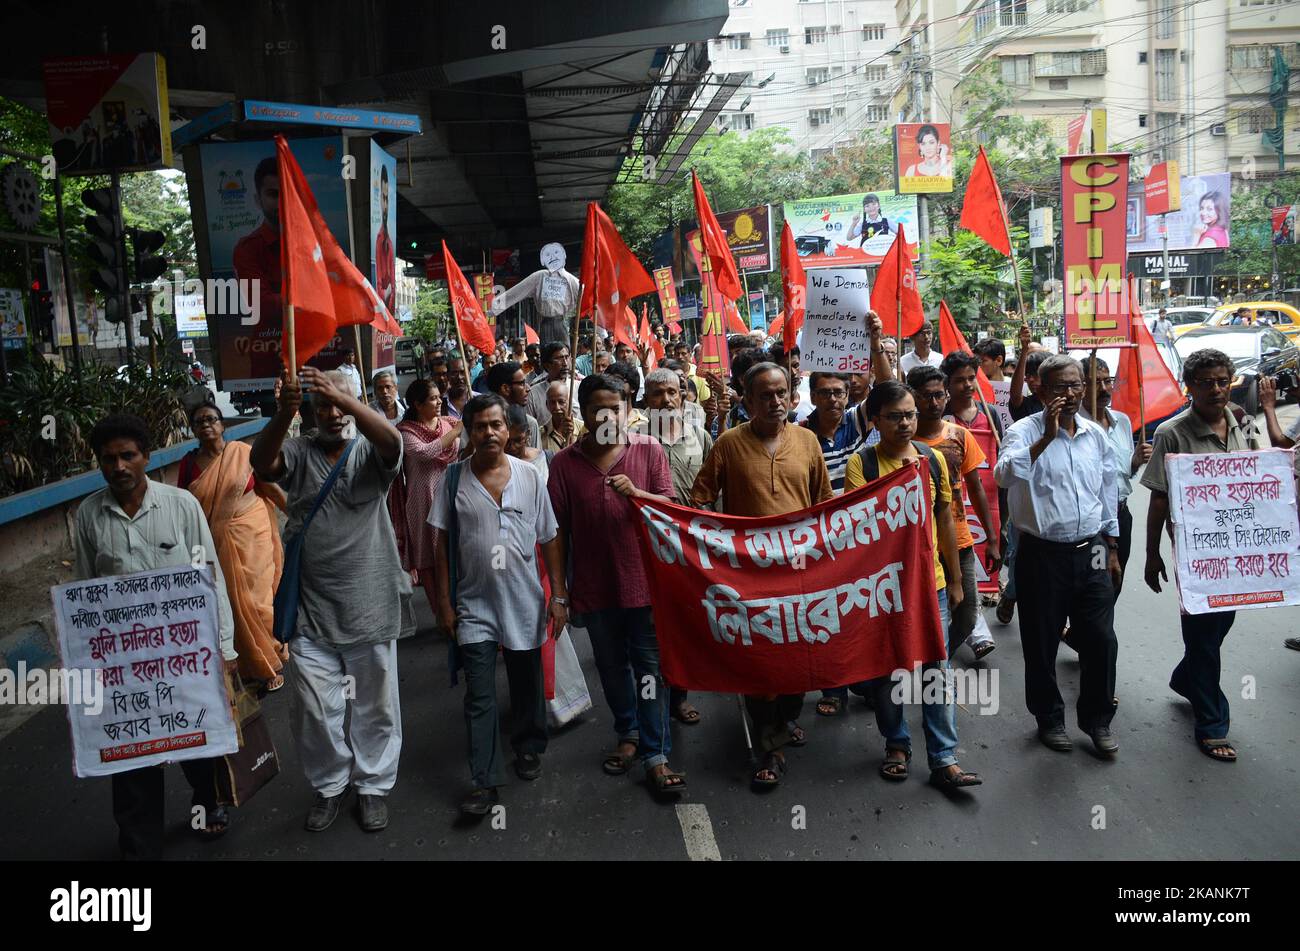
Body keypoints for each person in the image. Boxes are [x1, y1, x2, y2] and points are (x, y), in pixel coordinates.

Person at [251, 366, 407, 834]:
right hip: (310, 608)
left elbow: (393, 445)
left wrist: (341, 396)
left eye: (342, 405)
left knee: (375, 705)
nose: (333, 414)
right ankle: (330, 785)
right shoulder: (298, 450)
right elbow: (262, 464)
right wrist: (284, 411)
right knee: (316, 709)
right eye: (324, 407)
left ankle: (373, 786)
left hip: (371, 604)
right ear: (311, 413)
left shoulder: (372, 448)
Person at [75, 413, 237, 858]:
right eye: (109, 459)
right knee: (130, 751)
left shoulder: (181, 505)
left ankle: (208, 804)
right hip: (124, 662)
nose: (119, 466)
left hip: (185, 653)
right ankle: (139, 843)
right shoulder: (88, 516)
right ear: (100, 464)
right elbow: (84, 593)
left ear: (146, 457)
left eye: (128, 455)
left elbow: (210, 576)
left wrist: (224, 647)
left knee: (195, 742)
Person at [691, 362, 832, 789]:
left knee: (799, 655)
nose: (775, 402)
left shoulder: (807, 441)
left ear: (792, 396)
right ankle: (769, 748)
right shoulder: (729, 444)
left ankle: (787, 719)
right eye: (764, 395)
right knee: (761, 661)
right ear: (748, 400)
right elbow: (699, 499)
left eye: (782, 393)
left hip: (801, 572)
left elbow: (824, 504)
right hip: (749, 576)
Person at [547, 373, 687, 795]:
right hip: (593, 587)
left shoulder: (649, 450)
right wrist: (559, 592)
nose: (609, 416)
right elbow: (556, 532)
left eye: (617, 407)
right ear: (584, 413)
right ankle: (627, 733)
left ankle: (656, 753)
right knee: (611, 668)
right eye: (598, 409)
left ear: (627, 409)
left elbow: (671, 509)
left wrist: (639, 496)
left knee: (649, 669)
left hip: (644, 585)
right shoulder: (565, 464)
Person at [431, 395, 568, 814]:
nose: (489, 433)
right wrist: (443, 604)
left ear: (508, 431)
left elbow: (549, 536)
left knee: (527, 684)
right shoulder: (452, 480)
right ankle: (484, 779)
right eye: (480, 427)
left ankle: (528, 746)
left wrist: (559, 595)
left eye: (496, 425)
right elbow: (439, 545)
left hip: (525, 601)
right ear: (468, 435)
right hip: (473, 606)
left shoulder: (529, 476)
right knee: (480, 693)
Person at [846, 381, 982, 790]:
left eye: (909, 415)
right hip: (885, 586)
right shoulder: (863, 464)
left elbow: (944, 518)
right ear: (875, 421)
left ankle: (944, 757)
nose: (905, 423)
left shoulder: (933, 461)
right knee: (890, 667)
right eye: (894, 416)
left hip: (932, 585)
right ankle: (897, 743)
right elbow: (859, 526)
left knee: (937, 669)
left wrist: (955, 581)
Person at [994, 355, 1121, 757]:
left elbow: (1107, 491)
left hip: (1092, 551)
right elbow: (1003, 475)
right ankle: (1049, 718)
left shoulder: (1094, 434)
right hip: (1041, 555)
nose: (1069, 395)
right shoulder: (1021, 432)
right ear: (1039, 390)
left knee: (1101, 640)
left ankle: (1097, 720)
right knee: (1041, 642)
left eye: (1075, 386)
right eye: (1059, 388)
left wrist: (1112, 546)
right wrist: (1045, 437)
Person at [1143, 349, 1262, 763]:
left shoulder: (1244, 424)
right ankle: (1212, 724)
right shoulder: (1172, 433)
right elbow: (1159, 498)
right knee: (1203, 636)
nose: (1216, 389)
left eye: (1222, 380)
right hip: (1196, 552)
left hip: (1240, 549)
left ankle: (1185, 677)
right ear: (1188, 386)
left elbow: (1260, 481)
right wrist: (1152, 554)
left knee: (1219, 626)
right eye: (1206, 382)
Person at [178, 402, 288, 691]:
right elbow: (185, 509)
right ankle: (253, 666)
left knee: (260, 601)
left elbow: (269, 488)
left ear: (222, 424)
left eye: (211, 419)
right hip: (215, 543)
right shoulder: (188, 465)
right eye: (199, 421)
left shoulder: (243, 453)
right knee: (230, 604)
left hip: (254, 536)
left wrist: (301, 515)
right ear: (193, 429)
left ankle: (272, 652)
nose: (206, 425)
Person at [633, 367, 713, 727]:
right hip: (649, 549)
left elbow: (715, 490)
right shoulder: (632, 440)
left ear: (683, 396)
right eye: (657, 394)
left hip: (692, 549)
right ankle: (650, 703)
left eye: (673, 392)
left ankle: (679, 695)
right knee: (650, 631)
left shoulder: (700, 436)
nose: (666, 400)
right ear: (646, 401)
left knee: (686, 626)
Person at [909, 365, 998, 661]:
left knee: (968, 613)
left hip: (959, 541)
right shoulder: (902, 442)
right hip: (917, 545)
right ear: (913, 398)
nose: (933, 403)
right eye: (925, 397)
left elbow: (976, 487)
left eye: (938, 396)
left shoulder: (960, 436)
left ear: (946, 397)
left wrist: (993, 540)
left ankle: (938, 658)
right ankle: (934, 665)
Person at [1077, 355, 1150, 602]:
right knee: (1098, 580)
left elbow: (1122, 474)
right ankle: (1095, 633)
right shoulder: (1075, 425)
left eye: (1107, 381)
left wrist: (1136, 461)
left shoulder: (1122, 422)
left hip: (1121, 515)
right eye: (1095, 382)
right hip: (1093, 521)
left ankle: (1092, 630)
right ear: (1081, 386)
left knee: (1116, 577)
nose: (1104, 388)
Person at [394, 379, 463, 615]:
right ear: (417, 404)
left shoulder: (449, 423)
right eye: (432, 398)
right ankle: (442, 613)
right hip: (423, 502)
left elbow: (462, 452)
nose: (438, 402)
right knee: (431, 559)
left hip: (452, 495)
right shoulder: (406, 432)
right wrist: (455, 432)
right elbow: (426, 453)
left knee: (457, 553)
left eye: (438, 397)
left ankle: (463, 609)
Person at [231, 156, 283, 323]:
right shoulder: (247, 249)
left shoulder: (313, 245)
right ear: (258, 200)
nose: (281, 202)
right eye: (273, 195)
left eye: (288, 193)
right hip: (267, 344)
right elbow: (262, 305)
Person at [486, 361, 541, 449]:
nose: (528, 388)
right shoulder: (482, 422)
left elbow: (536, 460)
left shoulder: (530, 423)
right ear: (505, 388)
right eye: (522, 383)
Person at [526, 342, 581, 427]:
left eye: (567, 357)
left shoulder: (579, 387)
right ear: (547, 365)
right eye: (559, 359)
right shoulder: (533, 393)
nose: (565, 363)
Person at [374, 164, 396, 315]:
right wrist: (386, 293)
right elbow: (378, 284)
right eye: (383, 197)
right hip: (382, 310)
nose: (386, 204)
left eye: (387, 197)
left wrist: (390, 292)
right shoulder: (379, 239)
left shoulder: (388, 240)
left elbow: (393, 283)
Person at [541, 379, 579, 451]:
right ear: (547, 405)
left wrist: (571, 437)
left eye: (561, 402)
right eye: (552, 402)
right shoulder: (541, 434)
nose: (557, 407)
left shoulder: (582, 429)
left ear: (569, 403)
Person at [445, 355, 472, 419]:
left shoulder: (479, 399)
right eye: (454, 373)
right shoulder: (440, 403)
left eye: (463, 372)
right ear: (448, 376)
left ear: (469, 374)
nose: (459, 377)